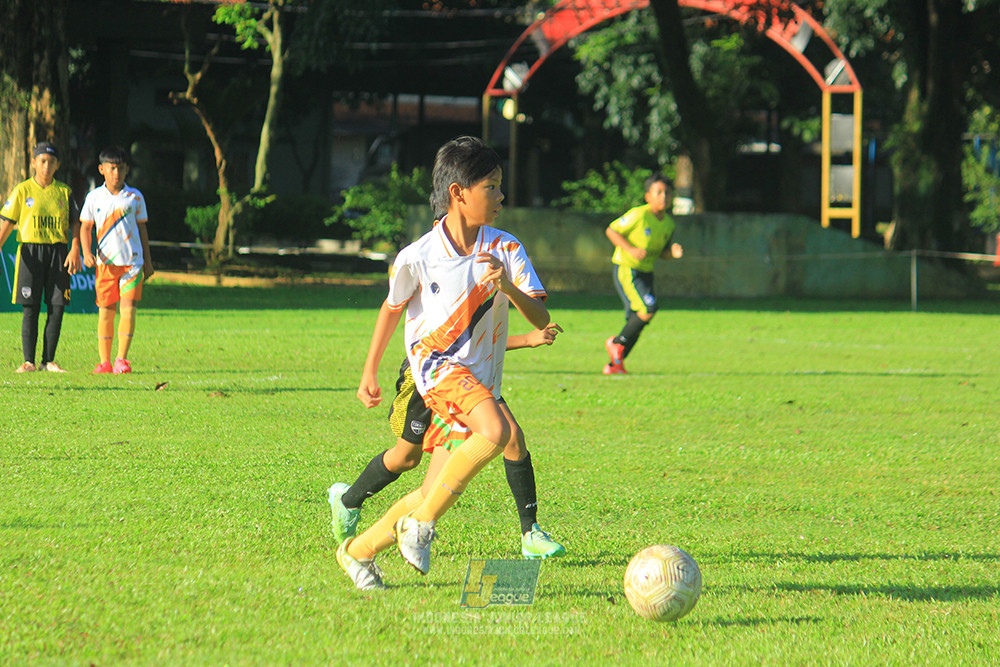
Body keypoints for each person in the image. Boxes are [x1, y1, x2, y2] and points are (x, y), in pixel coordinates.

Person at [336, 136, 551, 590]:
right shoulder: (418, 256)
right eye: (491, 186)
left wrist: (507, 288)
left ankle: (357, 553)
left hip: (478, 382)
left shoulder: (507, 250)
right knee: (499, 431)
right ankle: (421, 526)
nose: (500, 196)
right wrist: (369, 371)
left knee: (427, 491)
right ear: (459, 193)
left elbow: (541, 315)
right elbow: (391, 309)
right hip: (436, 369)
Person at [328, 322, 566, 561]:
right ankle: (348, 502)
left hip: (470, 375)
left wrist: (526, 331)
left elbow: (479, 339)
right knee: (406, 458)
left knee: (512, 436)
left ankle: (530, 533)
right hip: (430, 372)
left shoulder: (490, 289)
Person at [0, 142, 82, 373]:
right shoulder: (23, 190)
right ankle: (29, 361)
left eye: (51, 162)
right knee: (31, 307)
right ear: (34, 162)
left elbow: (75, 222)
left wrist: (75, 246)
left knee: (57, 307)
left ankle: (49, 361)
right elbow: (7, 221)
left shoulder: (64, 192)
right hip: (30, 252)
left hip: (58, 253)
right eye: (42, 161)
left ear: (57, 165)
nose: (46, 166)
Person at [79, 146, 154, 374]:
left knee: (129, 310)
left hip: (132, 264)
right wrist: (86, 252)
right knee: (106, 313)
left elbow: (142, 231)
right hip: (106, 264)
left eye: (121, 168)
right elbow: (85, 228)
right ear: (102, 169)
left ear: (127, 169)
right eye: (112, 168)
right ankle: (104, 362)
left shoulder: (135, 197)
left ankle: (122, 359)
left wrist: (148, 262)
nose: (116, 173)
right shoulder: (94, 197)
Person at [603, 173, 683, 375]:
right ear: (648, 196)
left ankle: (614, 365)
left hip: (647, 273)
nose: (663, 196)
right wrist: (630, 249)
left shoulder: (668, 224)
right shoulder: (639, 214)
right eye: (659, 192)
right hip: (628, 269)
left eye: (667, 192)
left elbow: (662, 253)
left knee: (636, 321)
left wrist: (672, 254)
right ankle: (616, 343)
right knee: (649, 308)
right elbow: (612, 230)